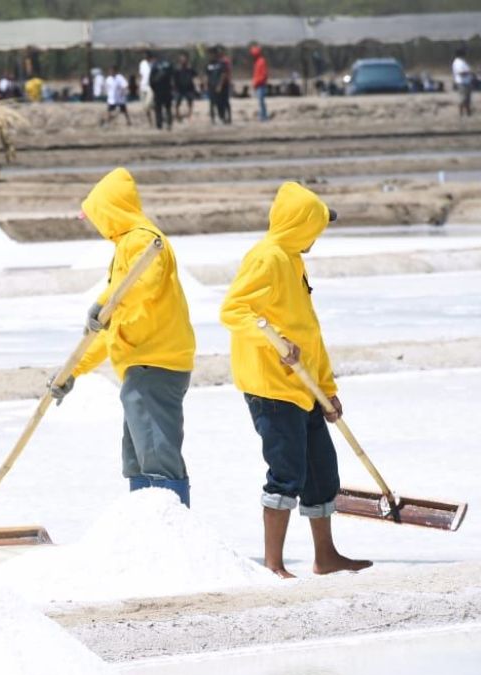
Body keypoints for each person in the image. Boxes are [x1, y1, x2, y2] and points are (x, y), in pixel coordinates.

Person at [219, 182, 373, 579]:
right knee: (286, 472)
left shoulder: (292, 260)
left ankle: (326, 557)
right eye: (317, 227)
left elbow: (309, 333)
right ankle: (274, 564)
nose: (319, 236)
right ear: (301, 224)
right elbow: (234, 309)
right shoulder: (267, 257)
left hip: (303, 388)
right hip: (271, 387)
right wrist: (274, 341)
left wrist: (327, 390)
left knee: (322, 471)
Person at [51, 167, 194, 507]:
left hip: (156, 362)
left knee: (157, 455)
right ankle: (143, 531)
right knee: (138, 457)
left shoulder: (143, 240)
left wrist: (103, 302)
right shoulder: (126, 246)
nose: (94, 224)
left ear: (110, 210)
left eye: (96, 216)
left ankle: (175, 534)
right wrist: (73, 369)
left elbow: (143, 285)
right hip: (140, 366)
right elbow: (114, 324)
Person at [206, 46, 232, 124]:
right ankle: (213, 118)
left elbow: (224, 74)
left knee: (223, 102)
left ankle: (226, 117)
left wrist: (220, 85)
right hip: (212, 86)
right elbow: (207, 75)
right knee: (212, 102)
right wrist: (206, 84)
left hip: (222, 87)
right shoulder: (209, 65)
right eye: (209, 54)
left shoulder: (221, 63)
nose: (210, 56)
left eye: (212, 54)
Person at [149, 53, 175, 130]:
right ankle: (168, 123)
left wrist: (153, 88)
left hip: (159, 90)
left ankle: (160, 124)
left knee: (159, 108)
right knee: (167, 108)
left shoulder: (155, 65)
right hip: (166, 89)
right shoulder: (168, 65)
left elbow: (151, 80)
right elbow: (173, 77)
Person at [173, 52, 198, 121]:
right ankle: (178, 115)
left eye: (184, 58)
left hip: (189, 88)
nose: (183, 60)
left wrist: (197, 86)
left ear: (186, 59)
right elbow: (174, 78)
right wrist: (174, 86)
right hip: (179, 88)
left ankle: (190, 114)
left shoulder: (190, 68)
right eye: (181, 58)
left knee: (190, 102)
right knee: (177, 102)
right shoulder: (177, 68)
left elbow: (195, 76)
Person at [250, 45, 270, 122]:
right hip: (258, 84)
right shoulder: (257, 62)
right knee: (260, 101)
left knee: (261, 101)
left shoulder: (261, 61)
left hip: (261, 85)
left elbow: (263, 74)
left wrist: (257, 82)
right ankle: (262, 115)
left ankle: (264, 116)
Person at [452, 49, 473, 118]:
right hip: (462, 83)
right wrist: (469, 72)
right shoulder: (458, 62)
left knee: (467, 99)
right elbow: (460, 73)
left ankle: (468, 113)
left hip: (466, 82)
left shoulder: (462, 61)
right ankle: (461, 113)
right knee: (463, 99)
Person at [138, 51, 155, 126]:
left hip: (150, 87)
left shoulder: (153, 64)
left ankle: (156, 117)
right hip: (142, 87)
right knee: (145, 107)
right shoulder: (142, 63)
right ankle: (150, 121)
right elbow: (141, 74)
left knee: (147, 105)